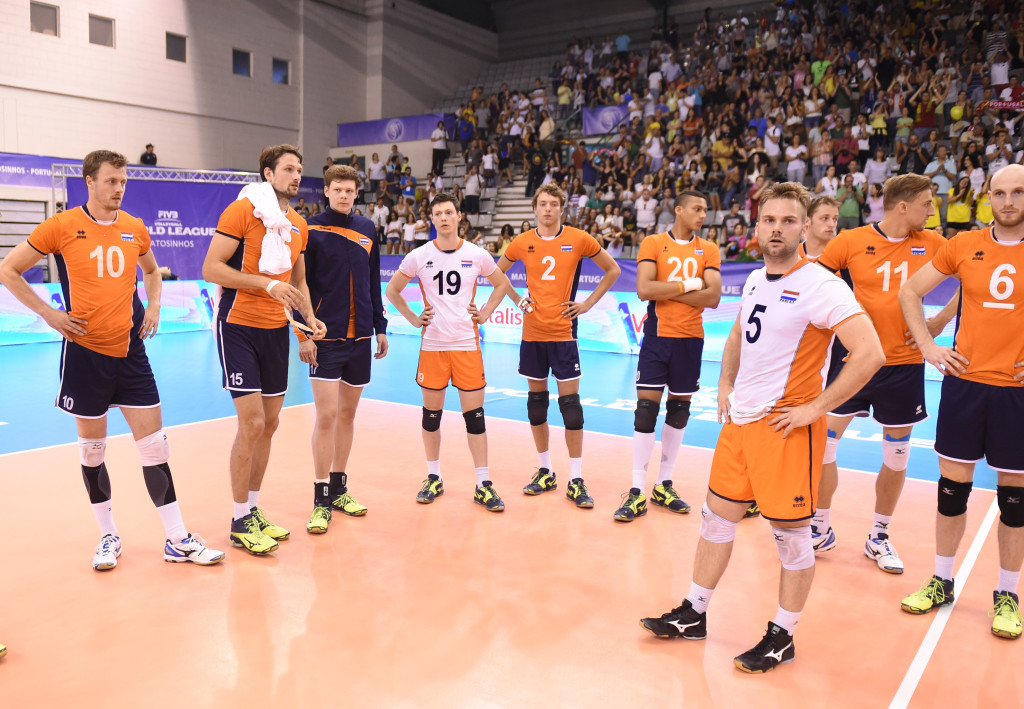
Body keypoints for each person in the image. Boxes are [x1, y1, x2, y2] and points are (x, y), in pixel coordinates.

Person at [639, 181, 884, 673]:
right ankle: (695, 613)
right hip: (741, 424)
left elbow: (871, 352)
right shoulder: (753, 278)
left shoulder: (821, 284)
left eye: (788, 221)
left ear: (803, 227)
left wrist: (816, 409)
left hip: (785, 430)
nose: (777, 229)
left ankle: (783, 635)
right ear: (756, 227)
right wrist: (726, 382)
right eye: (769, 220)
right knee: (715, 520)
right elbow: (736, 333)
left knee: (792, 536)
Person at [0, 149, 223, 568]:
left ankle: (177, 538)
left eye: (123, 182)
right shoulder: (62, 225)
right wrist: (49, 314)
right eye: (110, 181)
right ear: (90, 181)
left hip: (130, 352)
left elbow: (153, 272)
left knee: (155, 447)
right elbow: (8, 269)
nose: (119, 189)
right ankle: (108, 536)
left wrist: (154, 306)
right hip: (85, 353)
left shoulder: (134, 228)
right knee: (92, 451)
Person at [897, 163, 1024, 640]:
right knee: (952, 490)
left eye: (1018, 193)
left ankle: (1008, 594)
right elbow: (910, 291)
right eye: (1000, 193)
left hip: (1017, 393)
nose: (1008, 201)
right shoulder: (964, 244)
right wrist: (929, 347)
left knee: (1015, 499)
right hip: (965, 384)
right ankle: (942, 580)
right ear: (987, 196)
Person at [813, 174, 953, 570]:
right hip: (852, 361)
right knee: (824, 447)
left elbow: (974, 276)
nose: (932, 210)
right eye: (927, 203)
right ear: (903, 206)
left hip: (903, 367)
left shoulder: (933, 243)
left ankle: (879, 535)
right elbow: (816, 287)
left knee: (896, 455)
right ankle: (820, 528)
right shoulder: (850, 242)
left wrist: (940, 319)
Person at [202, 144, 326, 555]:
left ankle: (252, 509)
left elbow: (299, 280)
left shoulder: (297, 225)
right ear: (268, 175)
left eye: (299, 169)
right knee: (252, 422)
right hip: (238, 326)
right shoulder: (242, 212)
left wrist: (308, 321)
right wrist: (265, 284)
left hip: (276, 329)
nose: (296, 175)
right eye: (288, 169)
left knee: (270, 424)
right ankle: (238, 520)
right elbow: (211, 268)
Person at [385, 193, 517, 510]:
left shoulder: (477, 254)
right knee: (431, 417)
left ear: (459, 217)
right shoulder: (418, 255)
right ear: (432, 219)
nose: (443, 218)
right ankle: (433, 477)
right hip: (433, 346)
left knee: (475, 418)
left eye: (448, 212)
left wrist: (484, 313)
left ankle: (483, 483)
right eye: (437, 214)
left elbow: (501, 284)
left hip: (466, 346)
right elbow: (392, 290)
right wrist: (414, 318)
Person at [496, 184, 621, 507]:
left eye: (553, 204)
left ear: (562, 209)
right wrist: (517, 299)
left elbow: (613, 269)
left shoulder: (579, 239)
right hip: (533, 334)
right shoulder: (523, 242)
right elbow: (496, 273)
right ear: (534, 209)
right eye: (542, 204)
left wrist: (588, 304)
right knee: (536, 405)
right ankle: (545, 470)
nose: (548, 209)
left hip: (564, 334)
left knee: (571, 409)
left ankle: (576, 478)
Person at [615, 190, 722, 522]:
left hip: (690, 340)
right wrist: (690, 285)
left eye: (705, 210)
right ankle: (636, 490)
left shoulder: (709, 249)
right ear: (678, 210)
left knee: (679, 410)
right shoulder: (653, 243)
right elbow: (645, 290)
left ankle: (664, 484)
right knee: (646, 411)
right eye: (697, 208)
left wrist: (672, 288)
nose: (703, 214)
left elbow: (714, 297)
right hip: (657, 337)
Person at [299, 165, 388, 534]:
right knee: (327, 416)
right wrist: (303, 333)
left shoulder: (367, 229)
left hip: (361, 339)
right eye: (338, 189)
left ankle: (338, 488)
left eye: (350, 190)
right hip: (325, 337)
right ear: (327, 191)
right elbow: (298, 283)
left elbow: (372, 280)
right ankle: (320, 498)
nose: (344, 195)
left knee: (348, 416)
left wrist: (379, 327)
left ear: (356, 193)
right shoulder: (310, 228)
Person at [800, 196, 840, 260]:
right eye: (825, 218)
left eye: (835, 219)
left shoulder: (843, 257)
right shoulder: (790, 255)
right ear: (807, 221)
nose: (832, 224)